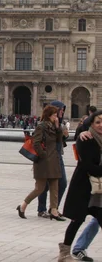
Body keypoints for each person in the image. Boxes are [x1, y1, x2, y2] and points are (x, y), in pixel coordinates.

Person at [58, 110, 102, 261]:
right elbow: (87, 165)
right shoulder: (85, 139)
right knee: (77, 220)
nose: (101, 125)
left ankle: (75, 250)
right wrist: (82, 132)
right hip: (84, 186)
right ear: (91, 123)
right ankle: (64, 253)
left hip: (98, 189)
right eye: (97, 122)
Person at [16, 105, 65, 221]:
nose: (56, 117)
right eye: (54, 115)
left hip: (53, 160)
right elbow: (36, 143)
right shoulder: (41, 126)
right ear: (49, 115)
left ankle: (54, 210)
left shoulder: (54, 126)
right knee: (40, 188)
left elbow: (59, 141)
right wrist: (44, 156)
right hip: (43, 162)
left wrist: (58, 127)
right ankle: (23, 205)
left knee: (55, 187)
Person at [37, 100, 68, 218]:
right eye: (61, 109)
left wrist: (63, 133)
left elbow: (60, 142)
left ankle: (53, 208)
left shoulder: (60, 124)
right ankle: (41, 209)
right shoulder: (45, 124)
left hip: (58, 157)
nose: (62, 112)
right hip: (47, 157)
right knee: (44, 185)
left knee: (63, 183)